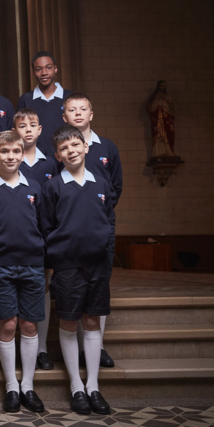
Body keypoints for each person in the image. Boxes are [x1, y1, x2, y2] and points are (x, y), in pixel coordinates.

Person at [40, 125, 115, 415]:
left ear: (86, 147)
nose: (71, 151)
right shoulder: (53, 187)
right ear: (57, 155)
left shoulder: (101, 183)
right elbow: (46, 227)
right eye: (64, 148)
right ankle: (76, 386)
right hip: (67, 265)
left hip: (97, 264)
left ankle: (93, 385)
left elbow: (108, 220)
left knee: (92, 321)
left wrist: (106, 252)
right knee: (69, 322)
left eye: (75, 145)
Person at [0, 130, 46, 413]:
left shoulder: (34, 188)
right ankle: (11, 386)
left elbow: (43, 225)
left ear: (23, 155)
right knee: (7, 325)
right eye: (4, 152)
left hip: (32, 265)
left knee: (29, 325)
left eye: (16, 151)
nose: (10, 156)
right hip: (1, 267)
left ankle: (27, 385)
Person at [62, 92, 122, 368]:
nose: (78, 113)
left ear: (91, 114)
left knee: (99, 286)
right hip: (72, 231)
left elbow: (115, 186)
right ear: (64, 117)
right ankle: (77, 349)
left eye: (82, 109)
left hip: (101, 226)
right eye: (72, 109)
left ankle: (97, 348)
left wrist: (98, 213)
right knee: (74, 289)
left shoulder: (107, 147)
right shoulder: (63, 148)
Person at [14, 108, 58, 370]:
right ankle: (17, 345)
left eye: (32, 125)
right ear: (14, 131)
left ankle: (40, 347)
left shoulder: (50, 164)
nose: (28, 129)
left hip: (41, 236)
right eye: (22, 125)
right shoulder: (10, 159)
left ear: (40, 130)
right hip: (15, 237)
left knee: (43, 287)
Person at [17, 52, 69, 157]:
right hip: (36, 159)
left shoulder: (69, 97)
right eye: (38, 69)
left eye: (48, 68)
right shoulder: (26, 100)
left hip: (65, 156)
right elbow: (19, 132)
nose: (44, 73)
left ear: (55, 69)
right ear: (33, 72)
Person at [147, 80, 176, 157]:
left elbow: (173, 106)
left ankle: (169, 151)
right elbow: (150, 108)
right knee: (158, 134)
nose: (162, 87)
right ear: (158, 86)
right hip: (158, 120)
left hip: (166, 118)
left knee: (168, 133)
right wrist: (156, 101)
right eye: (161, 85)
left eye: (164, 86)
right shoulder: (154, 96)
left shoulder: (167, 96)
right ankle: (158, 152)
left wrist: (167, 105)